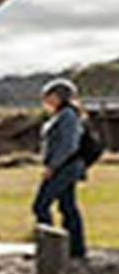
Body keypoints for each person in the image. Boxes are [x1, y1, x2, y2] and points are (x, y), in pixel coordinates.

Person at [34, 77, 88, 259]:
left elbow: (67, 145)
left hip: (64, 167)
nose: (45, 101)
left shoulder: (67, 116)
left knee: (40, 205)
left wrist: (52, 166)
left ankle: (50, 250)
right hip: (66, 167)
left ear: (57, 96)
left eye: (47, 96)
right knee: (67, 206)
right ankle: (75, 249)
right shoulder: (63, 115)